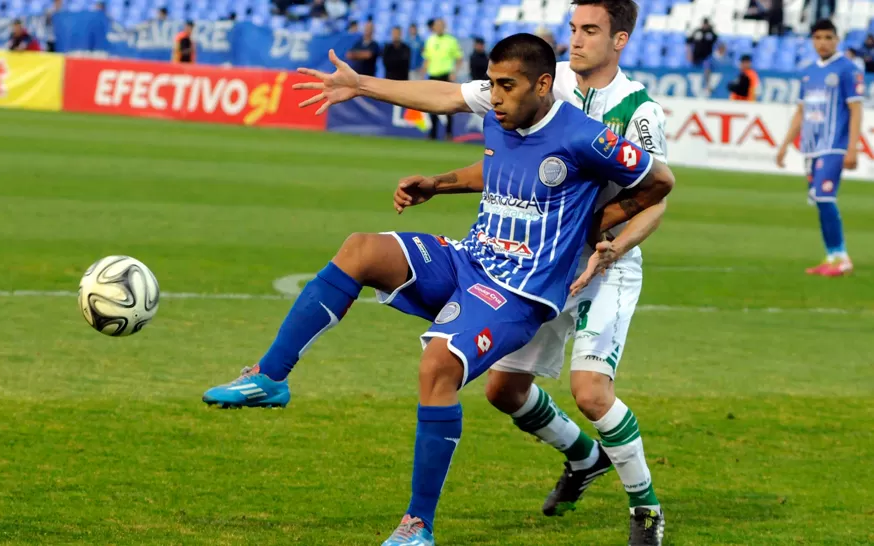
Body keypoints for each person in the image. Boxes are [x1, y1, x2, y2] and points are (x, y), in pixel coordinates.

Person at [205, 32, 674, 546]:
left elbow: (658, 182)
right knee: (360, 249)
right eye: (492, 84)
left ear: (543, 85)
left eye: (506, 86)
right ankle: (270, 377)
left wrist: (595, 223)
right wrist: (414, 152)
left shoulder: (586, 136)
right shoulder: (503, 115)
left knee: (438, 362)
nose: (494, 97)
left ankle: (416, 526)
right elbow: (457, 113)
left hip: (519, 291)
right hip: (470, 258)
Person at [777, 18, 862, 277]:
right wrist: (783, 145)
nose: (822, 43)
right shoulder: (808, 71)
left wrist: (852, 148)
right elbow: (801, 111)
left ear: (837, 40)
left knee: (825, 197)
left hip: (834, 146)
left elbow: (856, 109)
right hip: (812, 148)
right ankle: (831, 257)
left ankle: (843, 257)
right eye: (817, 38)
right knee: (818, 200)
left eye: (828, 37)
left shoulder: (847, 69)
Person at [422, 19, 463, 140]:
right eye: (436, 26)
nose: (438, 28)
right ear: (433, 27)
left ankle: (449, 133)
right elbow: (427, 59)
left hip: (446, 76)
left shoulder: (451, 40)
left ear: (444, 27)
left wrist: (454, 72)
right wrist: (423, 73)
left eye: (441, 26)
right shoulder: (430, 40)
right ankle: (432, 133)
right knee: (431, 105)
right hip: (433, 76)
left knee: (449, 105)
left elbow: (459, 59)